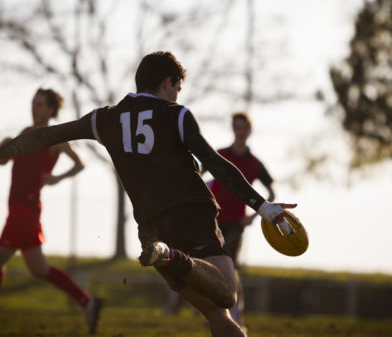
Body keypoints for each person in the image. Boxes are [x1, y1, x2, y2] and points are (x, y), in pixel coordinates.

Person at [0, 52, 299, 337]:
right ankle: (172, 257)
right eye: (177, 88)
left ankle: (167, 256)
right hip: (192, 217)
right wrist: (264, 207)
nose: (177, 95)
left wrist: (7, 149)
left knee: (216, 316)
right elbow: (216, 164)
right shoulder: (177, 115)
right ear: (167, 82)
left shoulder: (103, 119)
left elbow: (47, 134)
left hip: (151, 230)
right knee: (227, 295)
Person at [0, 88, 102, 334]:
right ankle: (87, 301)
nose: (34, 108)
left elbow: (80, 163)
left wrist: (57, 177)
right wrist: (4, 147)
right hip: (21, 209)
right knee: (39, 269)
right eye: (32, 104)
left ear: (51, 110)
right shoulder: (25, 134)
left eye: (39, 105)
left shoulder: (54, 137)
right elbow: (3, 160)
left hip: (25, 211)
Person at [207, 111, 275, 326]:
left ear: (250, 131)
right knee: (210, 267)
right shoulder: (219, 155)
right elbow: (196, 175)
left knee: (230, 269)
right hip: (212, 220)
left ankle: (236, 317)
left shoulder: (255, 163)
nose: (241, 132)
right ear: (233, 129)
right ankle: (214, 315)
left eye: (244, 128)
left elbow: (272, 193)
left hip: (236, 223)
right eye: (237, 127)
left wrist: (254, 217)